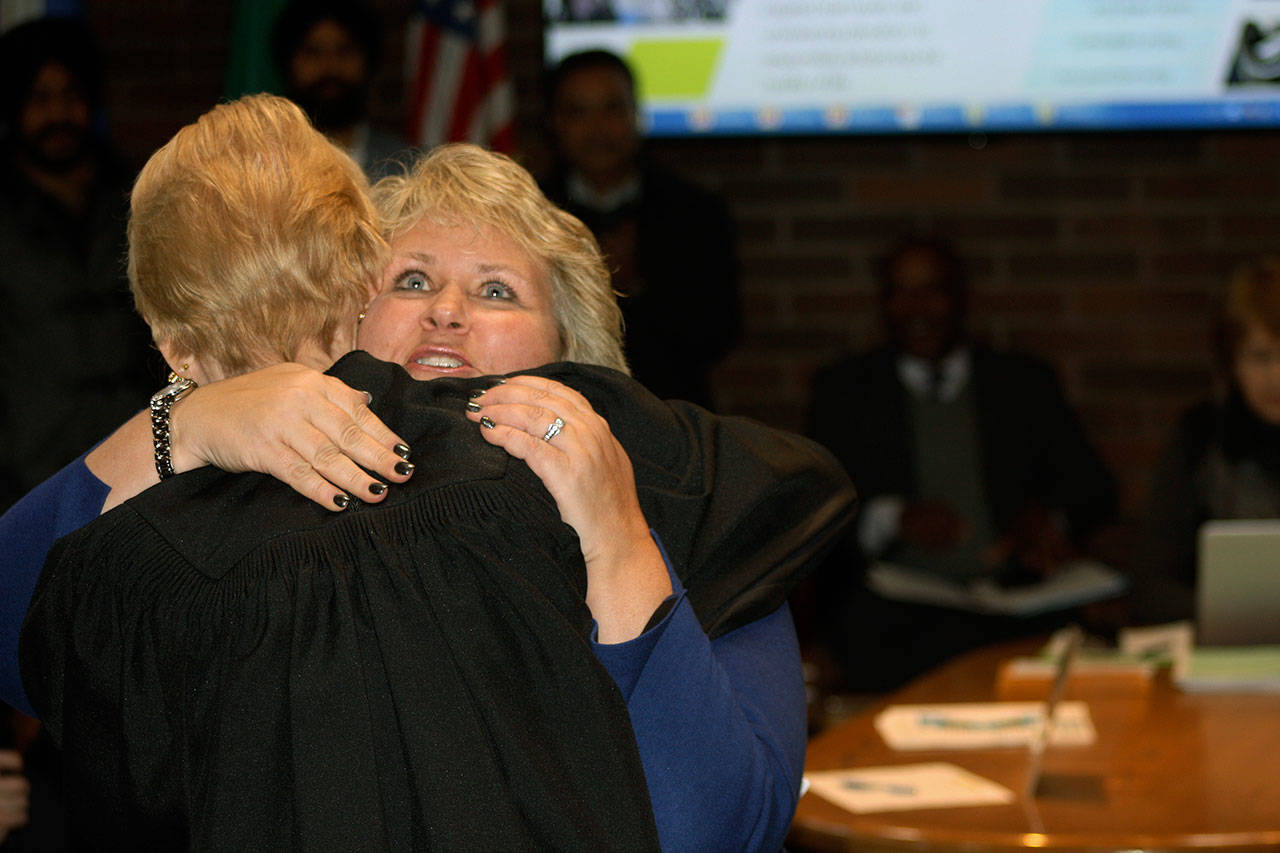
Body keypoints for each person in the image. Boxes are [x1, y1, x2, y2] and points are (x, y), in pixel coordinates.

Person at [12, 98, 853, 850]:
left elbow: (718, 832)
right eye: (411, 280)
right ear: (344, 315)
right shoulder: (231, 513)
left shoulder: (694, 499)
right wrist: (185, 421)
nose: (447, 310)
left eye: (497, 292)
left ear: (576, 359)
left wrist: (620, 539)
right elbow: (17, 632)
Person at [808, 235, 1116, 690]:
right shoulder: (845, 391)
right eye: (901, 293)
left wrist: (1047, 520)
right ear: (883, 303)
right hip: (900, 618)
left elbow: (1094, 489)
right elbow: (811, 512)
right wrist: (892, 520)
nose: (917, 309)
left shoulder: (1022, 383)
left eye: (933, 291)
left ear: (961, 299)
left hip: (1017, 606)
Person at [0, 16, 154, 512]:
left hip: (138, 467)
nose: (57, 115)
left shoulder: (140, 199)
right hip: (25, 479)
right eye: (39, 100)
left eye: (69, 97)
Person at [541, 49, 739, 407]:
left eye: (612, 108)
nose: (597, 128)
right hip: (553, 409)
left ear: (637, 115)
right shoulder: (530, 212)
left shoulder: (695, 212)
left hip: (673, 412)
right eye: (579, 112)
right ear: (554, 122)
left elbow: (720, 333)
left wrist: (635, 288)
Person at [1132, 257, 1280, 624]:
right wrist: (1235, 617)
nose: (1278, 376)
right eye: (1261, 357)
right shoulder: (1200, 437)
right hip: (1223, 654)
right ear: (1232, 363)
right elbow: (1150, 589)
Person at [271, 0, 411, 181]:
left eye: (344, 51)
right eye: (313, 52)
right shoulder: (265, 165)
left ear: (367, 62)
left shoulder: (406, 168)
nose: (330, 67)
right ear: (288, 63)